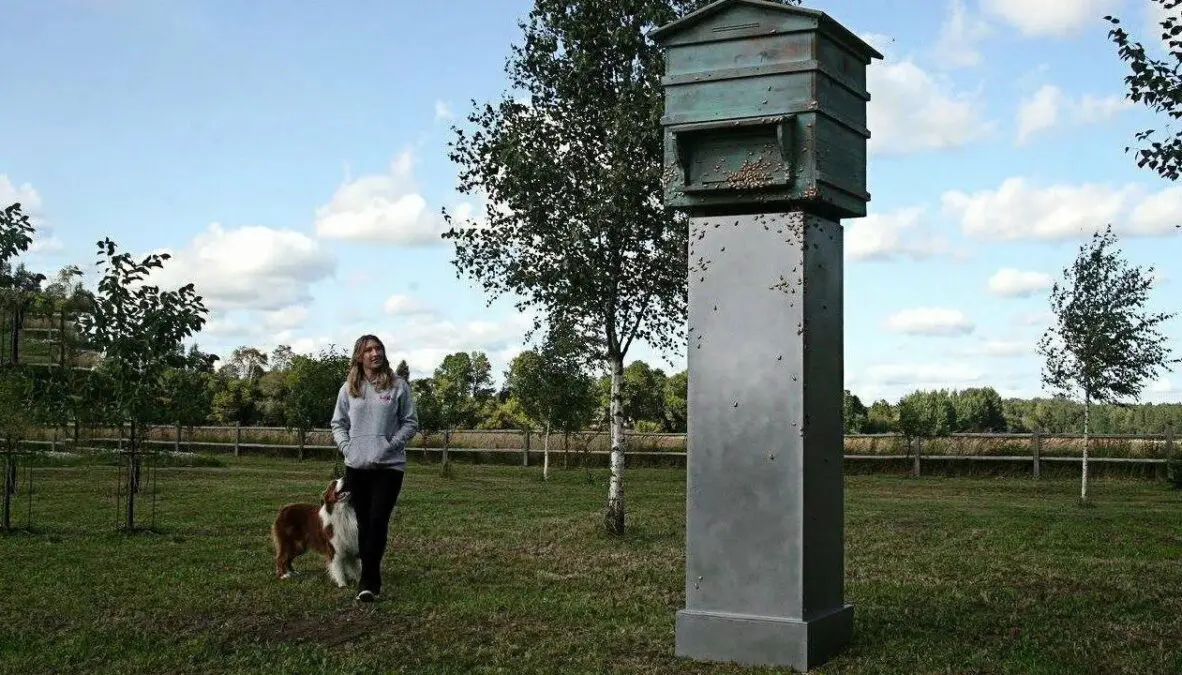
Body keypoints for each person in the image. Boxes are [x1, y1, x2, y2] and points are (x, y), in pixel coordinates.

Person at [330, 334, 419, 602]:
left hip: (389, 467)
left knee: (378, 519)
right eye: (368, 349)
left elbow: (410, 422)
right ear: (359, 356)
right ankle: (367, 577)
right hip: (357, 466)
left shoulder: (397, 386)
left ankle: (370, 581)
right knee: (364, 522)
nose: (375, 353)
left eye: (378, 348)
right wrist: (347, 448)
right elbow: (338, 423)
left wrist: (390, 446)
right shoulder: (348, 389)